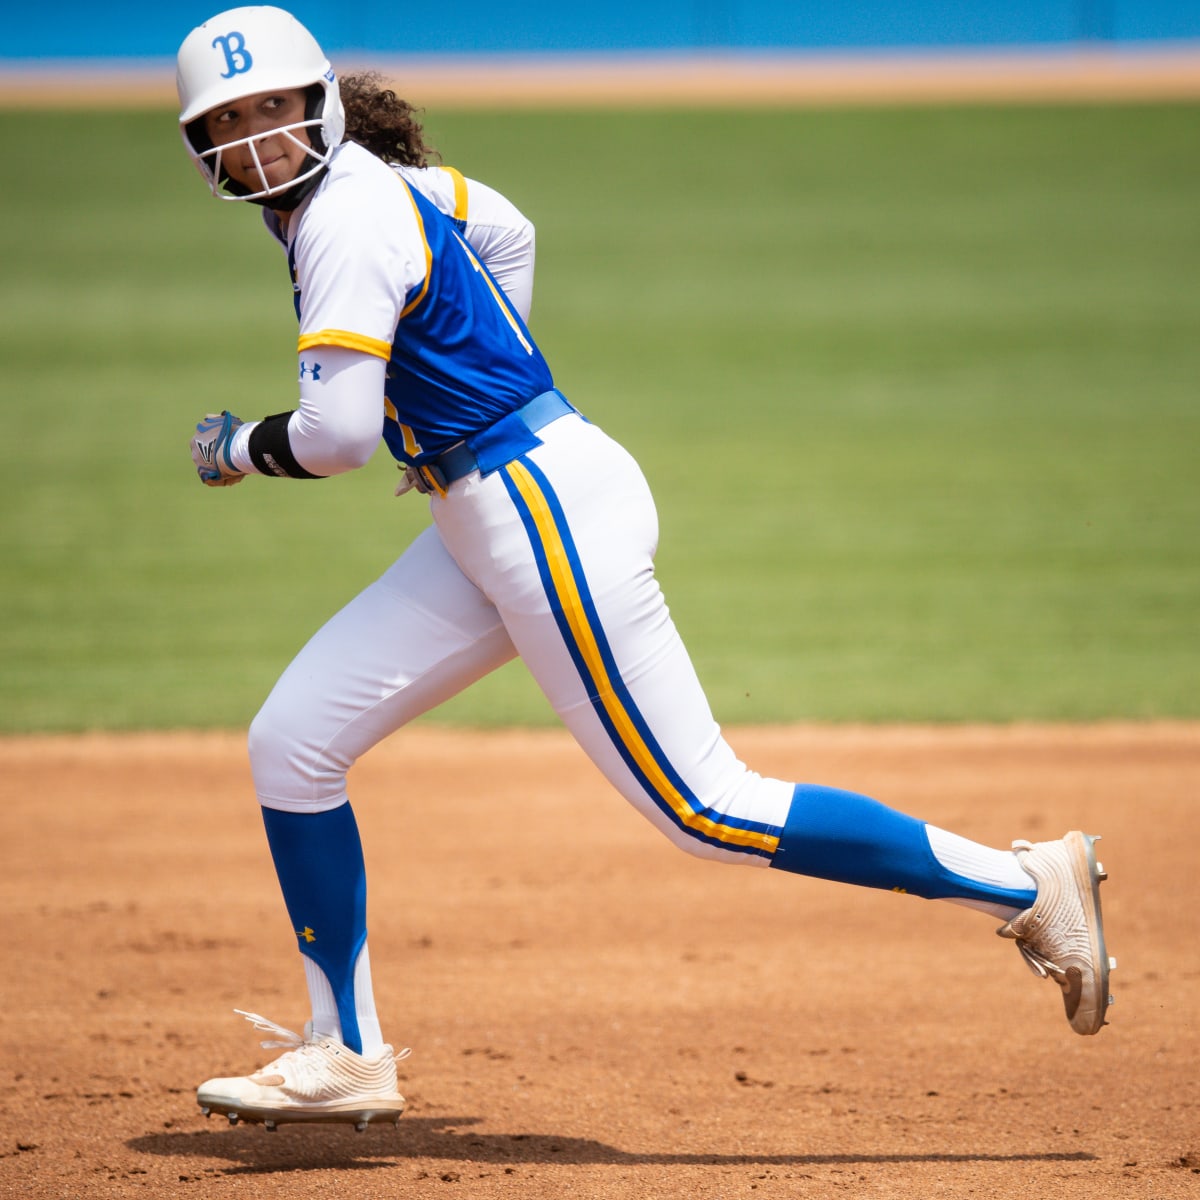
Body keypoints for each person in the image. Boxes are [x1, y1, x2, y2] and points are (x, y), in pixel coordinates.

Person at [177, 6, 1115, 1133]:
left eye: (272, 108)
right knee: (294, 741)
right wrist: (479, 383)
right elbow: (510, 231)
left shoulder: (340, 218)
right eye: (227, 122)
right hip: (502, 503)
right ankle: (346, 1053)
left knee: (703, 805)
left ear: (319, 101)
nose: (255, 140)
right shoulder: (369, 186)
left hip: (537, 508)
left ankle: (1028, 887)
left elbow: (334, 437)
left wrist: (236, 447)